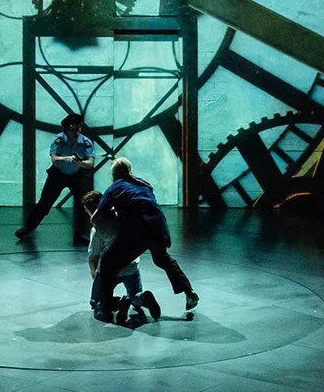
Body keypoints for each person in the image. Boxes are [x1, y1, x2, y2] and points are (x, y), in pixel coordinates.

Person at [89, 157, 198, 322]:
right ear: (129, 171)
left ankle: (105, 309)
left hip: (138, 230)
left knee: (107, 263)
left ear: (114, 175)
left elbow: (100, 213)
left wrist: (93, 219)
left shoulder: (114, 188)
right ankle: (189, 293)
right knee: (163, 260)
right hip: (159, 227)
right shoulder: (144, 184)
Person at [15, 113, 97, 246]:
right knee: (44, 203)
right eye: (75, 128)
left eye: (79, 128)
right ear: (68, 128)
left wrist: (79, 163)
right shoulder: (59, 139)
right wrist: (67, 158)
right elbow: (54, 159)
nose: (78, 131)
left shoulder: (86, 142)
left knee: (81, 206)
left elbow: (90, 163)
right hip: (57, 175)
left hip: (77, 175)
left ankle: (79, 235)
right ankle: (28, 228)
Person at [81, 190, 160, 324]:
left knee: (96, 302)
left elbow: (93, 256)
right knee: (136, 297)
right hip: (132, 266)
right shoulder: (124, 217)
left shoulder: (98, 228)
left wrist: (95, 275)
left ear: (90, 210)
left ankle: (121, 301)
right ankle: (141, 298)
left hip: (110, 270)